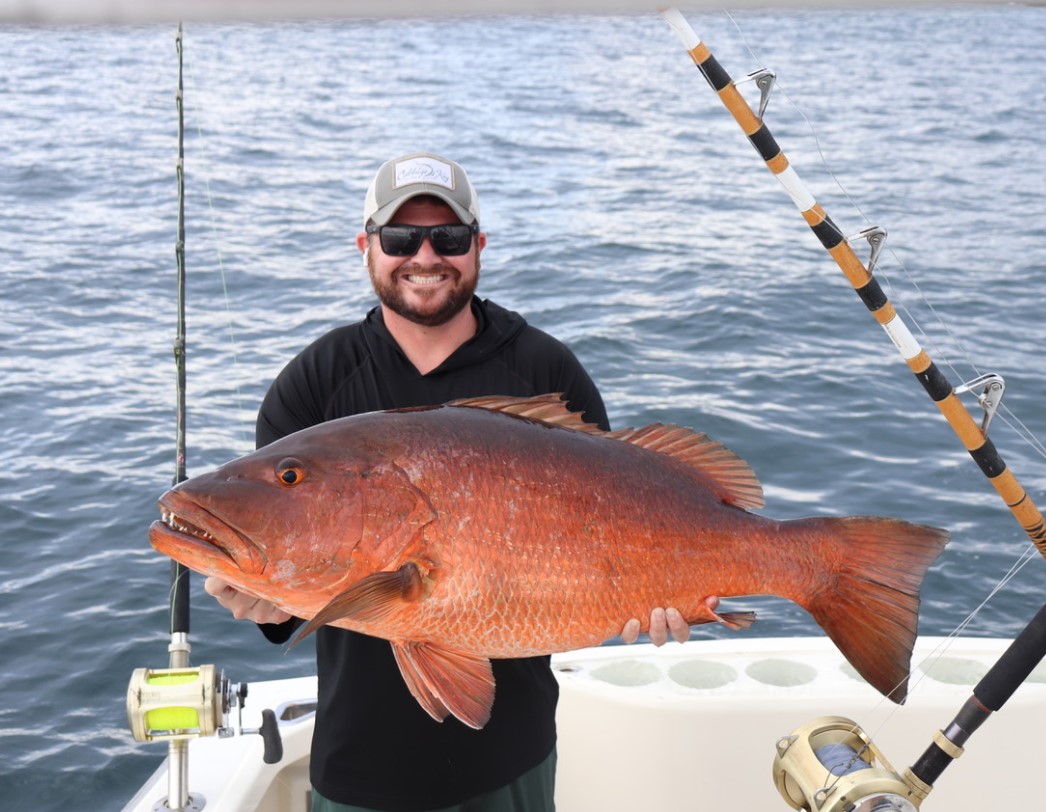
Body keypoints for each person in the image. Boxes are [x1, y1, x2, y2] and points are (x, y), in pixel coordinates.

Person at [204, 152, 697, 812]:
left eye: (451, 237)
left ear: (480, 245)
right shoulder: (315, 382)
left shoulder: (545, 368)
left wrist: (660, 596)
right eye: (402, 238)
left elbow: (616, 526)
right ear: (366, 247)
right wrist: (260, 598)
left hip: (512, 761)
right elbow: (289, 564)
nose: (426, 255)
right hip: (360, 767)